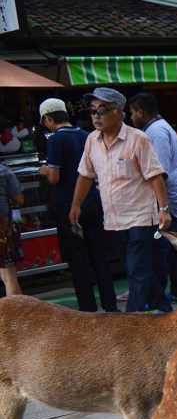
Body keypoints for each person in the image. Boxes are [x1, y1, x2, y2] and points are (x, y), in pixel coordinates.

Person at [70, 87, 171, 315]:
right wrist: (75, 205)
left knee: (136, 271)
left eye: (102, 110)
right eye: (93, 110)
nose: (96, 116)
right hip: (113, 220)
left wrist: (163, 209)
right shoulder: (91, 141)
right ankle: (163, 308)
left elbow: (155, 176)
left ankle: (130, 321)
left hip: (140, 217)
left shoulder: (138, 139)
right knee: (137, 269)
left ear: (118, 111)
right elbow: (85, 175)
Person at [38, 98, 117, 312]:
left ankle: (87, 310)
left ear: (48, 118)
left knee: (78, 260)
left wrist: (44, 170)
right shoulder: (86, 135)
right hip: (92, 202)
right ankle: (110, 305)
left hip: (68, 206)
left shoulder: (56, 140)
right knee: (99, 256)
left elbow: (54, 177)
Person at [129, 92, 177, 307]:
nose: (131, 119)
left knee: (160, 250)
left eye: (132, 113)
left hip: (165, 197)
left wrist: (161, 205)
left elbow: (159, 172)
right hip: (167, 195)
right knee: (172, 246)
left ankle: (159, 298)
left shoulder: (156, 132)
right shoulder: (157, 128)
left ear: (140, 112)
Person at [0, 161, 24, 296]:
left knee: (5, 276)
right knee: (10, 278)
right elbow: (20, 200)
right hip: (3, 229)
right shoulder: (3, 171)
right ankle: (16, 309)